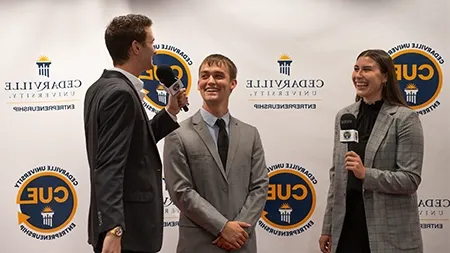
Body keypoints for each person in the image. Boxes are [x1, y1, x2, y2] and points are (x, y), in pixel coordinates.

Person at [83, 14, 188, 253]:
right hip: (128, 232)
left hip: (125, 230)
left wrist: (170, 111)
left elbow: (133, 144)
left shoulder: (100, 88)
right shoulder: (120, 94)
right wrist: (114, 229)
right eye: (151, 42)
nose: (154, 50)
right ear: (136, 47)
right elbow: (109, 165)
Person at [319, 49, 424, 253]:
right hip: (348, 227)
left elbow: (411, 180)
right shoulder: (345, 116)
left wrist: (366, 174)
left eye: (367, 69)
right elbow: (337, 177)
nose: (358, 75)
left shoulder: (404, 118)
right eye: (356, 69)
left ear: (385, 76)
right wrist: (329, 227)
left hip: (388, 233)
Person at [163, 54, 269, 253]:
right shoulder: (177, 134)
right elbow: (180, 191)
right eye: (205, 76)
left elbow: (260, 186)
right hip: (199, 245)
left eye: (219, 76)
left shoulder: (250, 134)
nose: (211, 81)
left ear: (232, 84)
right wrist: (222, 227)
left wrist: (238, 231)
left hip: (241, 243)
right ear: (198, 84)